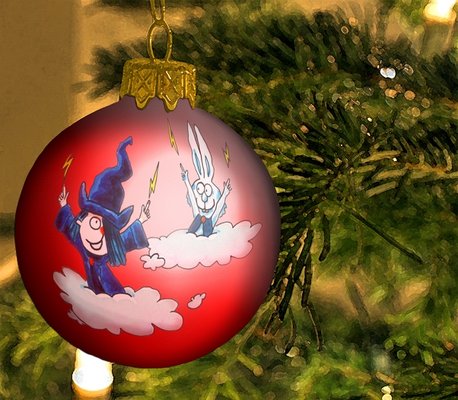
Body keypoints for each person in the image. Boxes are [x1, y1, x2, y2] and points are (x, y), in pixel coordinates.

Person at [56, 137, 150, 296]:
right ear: (82, 220)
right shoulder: (79, 239)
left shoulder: (112, 246)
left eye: (105, 229)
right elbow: (68, 225)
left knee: (115, 296)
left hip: (111, 294)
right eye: (94, 223)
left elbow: (127, 238)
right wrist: (64, 205)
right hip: (88, 294)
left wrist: (141, 220)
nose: (99, 234)